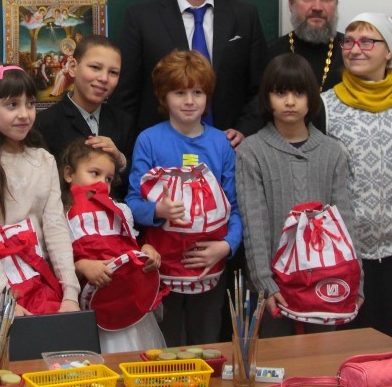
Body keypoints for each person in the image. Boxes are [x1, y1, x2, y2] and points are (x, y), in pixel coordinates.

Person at [321, 13, 392, 350]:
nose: (355, 49)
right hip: (345, 255)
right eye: (349, 41)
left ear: (389, 51)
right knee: (350, 354)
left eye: (367, 41)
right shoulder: (325, 106)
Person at [126, 50, 242, 346]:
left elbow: (235, 207)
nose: (190, 101)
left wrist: (226, 246)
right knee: (167, 347)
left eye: (197, 92)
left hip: (210, 269)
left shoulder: (221, 143)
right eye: (179, 93)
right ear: (164, 97)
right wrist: (157, 210)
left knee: (207, 345)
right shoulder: (149, 140)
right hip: (162, 270)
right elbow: (132, 205)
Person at [236, 53, 355, 336]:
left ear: (311, 98)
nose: (290, 102)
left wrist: (355, 281)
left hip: (327, 283)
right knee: (276, 358)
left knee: (322, 358)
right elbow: (255, 224)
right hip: (274, 286)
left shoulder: (333, 151)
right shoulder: (251, 151)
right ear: (267, 97)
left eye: (299, 93)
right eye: (280, 93)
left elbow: (346, 220)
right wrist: (265, 283)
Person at [117, 0, 266, 147]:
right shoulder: (141, 19)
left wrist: (244, 130)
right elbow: (126, 97)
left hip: (229, 149)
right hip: (161, 152)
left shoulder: (245, 16)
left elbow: (261, 88)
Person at [0, 64, 81, 314]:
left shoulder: (43, 159)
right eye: (12, 105)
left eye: (30, 104)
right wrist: (3, 299)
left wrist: (70, 292)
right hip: (0, 289)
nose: (24, 114)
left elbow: (55, 227)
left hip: (42, 282)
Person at [59, 139, 165, 352]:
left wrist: (146, 251)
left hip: (128, 301)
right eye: (94, 173)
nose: (102, 183)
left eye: (108, 179)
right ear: (69, 174)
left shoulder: (121, 211)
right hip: (91, 307)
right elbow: (56, 262)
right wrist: (82, 266)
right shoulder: (60, 214)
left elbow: (130, 246)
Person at [35, 35, 133, 199]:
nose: (103, 78)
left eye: (113, 72)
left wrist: (120, 160)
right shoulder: (45, 123)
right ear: (73, 67)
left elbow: (136, 186)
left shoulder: (123, 122)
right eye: (95, 67)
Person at [268, 0, 345, 92]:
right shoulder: (271, 54)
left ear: (336, 5)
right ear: (291, 4)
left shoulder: (352, 52)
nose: (317, 7)